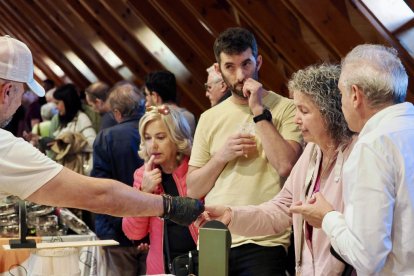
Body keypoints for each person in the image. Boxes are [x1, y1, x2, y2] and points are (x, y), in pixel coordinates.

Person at [0, 35, 203, 229]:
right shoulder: (4, 147)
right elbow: (99, 195)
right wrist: (170, 206)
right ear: (7, 91)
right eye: (22, 91)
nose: (20, 102)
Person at [198, 64, 356, 275]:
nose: (296, 119)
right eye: (297, 109)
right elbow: (280, 210)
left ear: (329, 112)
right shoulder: (311, 153)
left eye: (304, 111)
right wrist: (231, 215)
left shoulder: (356, 154)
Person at [187, 27, 303, 275]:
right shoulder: (208, 118)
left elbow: (286, 166)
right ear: (218, 70)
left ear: (258, 61)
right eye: (230, 67)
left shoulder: (287, 109)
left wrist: (258, 110)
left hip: (265, 240)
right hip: (214, 238)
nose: (240, 75)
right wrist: (221, 156)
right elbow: (193, 189)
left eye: (246, 64)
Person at [290, 44, 414, 275]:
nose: (341, 103)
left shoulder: (373, 146)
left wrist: (328, 218)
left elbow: (367, 257)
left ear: (355, 95)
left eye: (341, 94)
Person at [123, 104, 198, 275]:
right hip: (162, 268)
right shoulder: (143, 175)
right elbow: (132, 232)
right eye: (148, 138)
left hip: (201, 264)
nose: (153, 145)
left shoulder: (196, 169)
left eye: (160, 137)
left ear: (177, 137)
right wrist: (144, 193)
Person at [91, 81, 146, 275]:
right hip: (151, 226)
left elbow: (99, 186)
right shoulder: (158, 132)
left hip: (115, 232)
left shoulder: (106, 137)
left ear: (116, 113)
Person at [144, 70, 196, 135]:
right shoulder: (189, 116)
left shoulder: (155, 120)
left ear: (155, 96)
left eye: (146, 94)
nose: (146, 98)